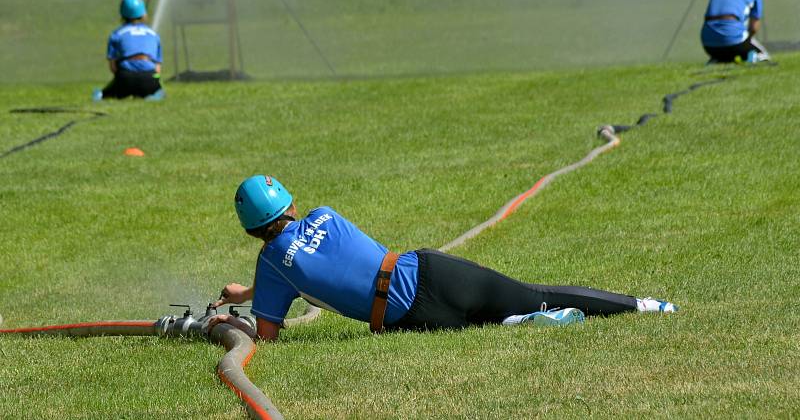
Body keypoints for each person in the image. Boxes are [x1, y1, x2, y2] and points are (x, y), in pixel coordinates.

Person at [209, 175, 677, 341]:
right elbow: (317, 259)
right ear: (290, 205)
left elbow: (267, 333)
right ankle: (643, 305)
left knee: (478, 322)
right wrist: (251, 290)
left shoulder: (270, 265)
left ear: (250, 229)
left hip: (413, 317)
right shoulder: (324, 215)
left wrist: (235, 317)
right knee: (539, 294)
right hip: (431, 270)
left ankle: (515, 323)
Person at [94, 0, 165, 101]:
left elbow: (113, 67)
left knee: (102, 95)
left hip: (125, 78)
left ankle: (103, 95)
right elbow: (158, 70)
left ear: (122, 13)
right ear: (143, 14)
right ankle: (151, 94)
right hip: (150, 79)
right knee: (158, 93)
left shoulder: (116, 34)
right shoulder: (154, 34)